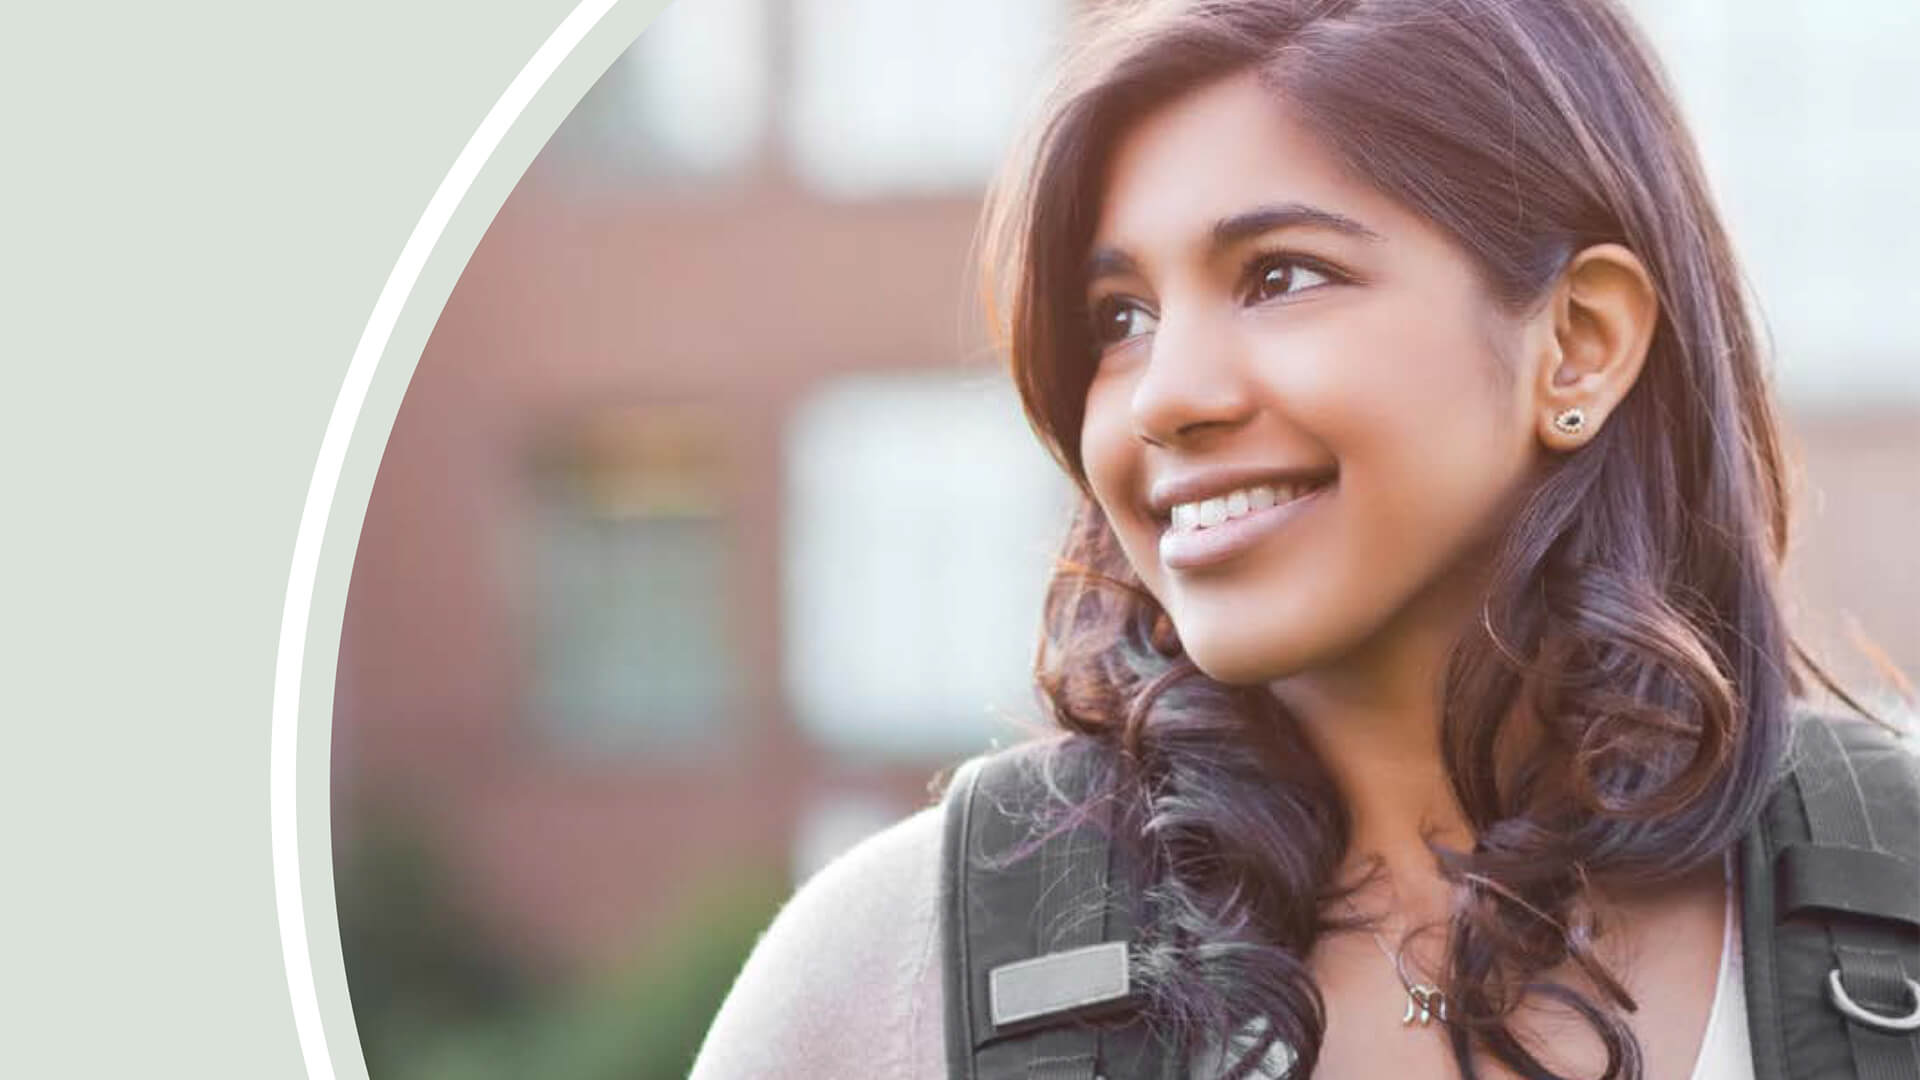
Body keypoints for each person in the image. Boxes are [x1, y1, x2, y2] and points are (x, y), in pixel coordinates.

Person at [690, 1, 1916, 1077]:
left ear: (1580, 341)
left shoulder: (1893, 887)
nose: (1165, 395)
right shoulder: (892, 979)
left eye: (1280, 277)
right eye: (1119, 317)